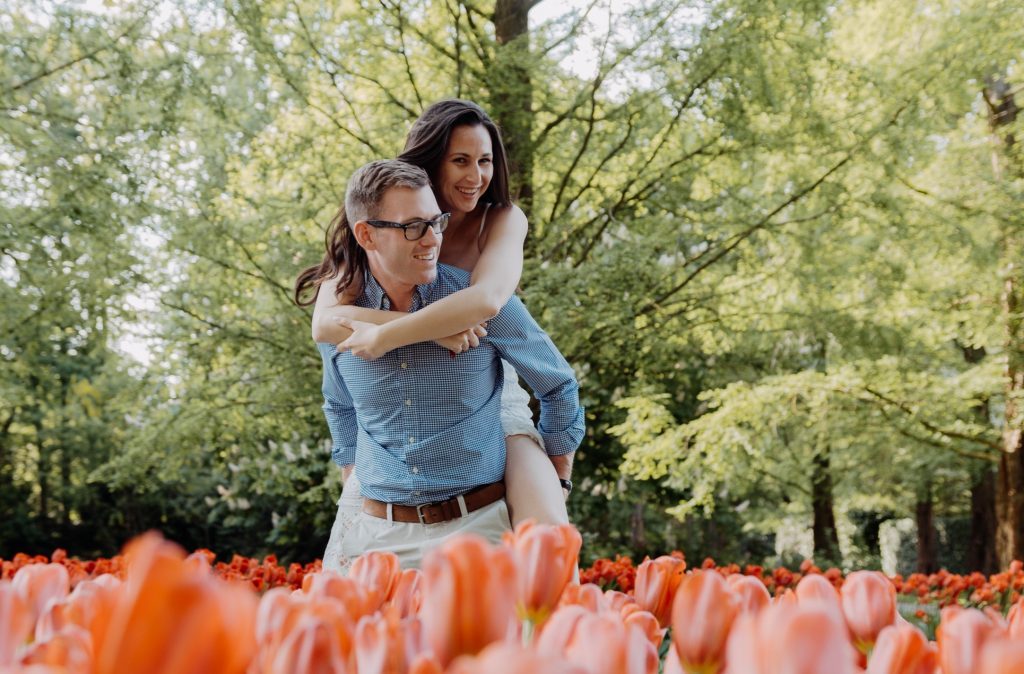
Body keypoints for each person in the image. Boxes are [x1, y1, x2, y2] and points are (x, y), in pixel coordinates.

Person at [295, 100, 575, 569]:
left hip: (494, 396)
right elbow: (326, 327)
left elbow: (488, 301)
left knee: (551, 536)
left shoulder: (501, 219)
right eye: (460, 160)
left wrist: (560, 467)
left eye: (485, 160)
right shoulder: (384, 210)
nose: (476, 175)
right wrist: (430, 333)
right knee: (346, 544)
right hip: (397, 444)